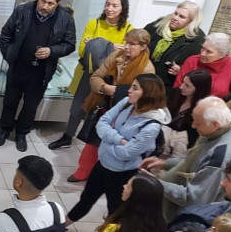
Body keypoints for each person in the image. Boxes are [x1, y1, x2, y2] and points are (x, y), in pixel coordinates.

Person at [68, 74, 170, 221]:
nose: (129, 90)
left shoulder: (151, 126)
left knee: (114, 209)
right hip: (103, 163)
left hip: (122, 173)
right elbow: (102, 122)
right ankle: (63, 225)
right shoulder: (127, 103)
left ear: (148, 93)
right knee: (86, 198)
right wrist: (119, 139)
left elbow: (126, 153)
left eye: (135, 88)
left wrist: (106, 140)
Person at [67, 28, 156, 182]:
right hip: (105, 106)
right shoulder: (116, 56)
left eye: (132, 44)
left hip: (127, 113)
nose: (127, 47)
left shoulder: (147, 68)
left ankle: (104, 177)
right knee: (93, 143)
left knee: (114, 148)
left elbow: (142, 95)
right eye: (126, 42)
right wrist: (104, 88)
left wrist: (119, 92)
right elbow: (96, 76)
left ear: (143, 46)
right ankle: (83, 171)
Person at [49, 0, 134, 150]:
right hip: (87, 74)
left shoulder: (128, 30)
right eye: (107, 4)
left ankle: (92, 143)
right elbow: (82, 50)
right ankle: (68, 136)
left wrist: (96, 44)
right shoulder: (94, 24)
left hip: (109, 78)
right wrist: (111, 46)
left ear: (123, 8)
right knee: (78, 107)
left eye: (115, 6)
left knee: (100, 111)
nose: (109, 8)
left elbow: (122, 58)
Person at [0, 0, 76, 152]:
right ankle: (4, 130)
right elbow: (5, 35)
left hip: (41, 72)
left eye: (50, 3)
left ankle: (21, 134)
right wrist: (10, 57)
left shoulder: (65, 19)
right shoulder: (23, 10)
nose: (44, 6)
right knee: (10, 101)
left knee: (30, 106)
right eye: (43, 1)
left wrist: (51, 51)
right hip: (18, 67)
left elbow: (70, 45)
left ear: (58, 3)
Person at [141, 96, 231, 221]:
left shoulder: (219, 157)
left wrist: (156, 184)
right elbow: (194, 159)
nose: (193, 125)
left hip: (182, 216)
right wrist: (165, 163)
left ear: (215, 124)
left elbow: (194, 198)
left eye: (198, 122)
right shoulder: (217, 131)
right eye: (193, 119)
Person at [143, 1, 206, 98]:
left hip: (166, 87)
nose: (175, 18)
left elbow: (195, 69)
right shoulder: (158, 25)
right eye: (175, 13)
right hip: (143, 79)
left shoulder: (196, 39)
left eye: (182, 17)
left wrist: (182, 71)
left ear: (190, 21)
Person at [173, 33, 231, 100]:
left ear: (222, 54)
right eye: (202, 48)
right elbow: (178, 88)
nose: (203, 54)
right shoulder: (192, 61)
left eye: (209, 51)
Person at [164, 69, 212, 158]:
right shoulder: (176, 93)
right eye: (183, 82)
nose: (181, 87)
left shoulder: (202, 109)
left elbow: (193, 138)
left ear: (199, 89)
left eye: (187, 85)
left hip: (181, 147)